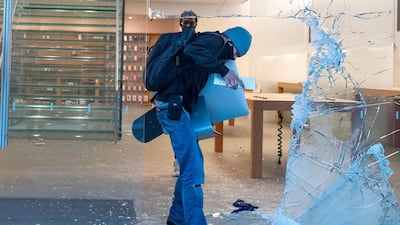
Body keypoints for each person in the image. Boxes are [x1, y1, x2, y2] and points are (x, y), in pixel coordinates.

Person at [154, 26, 252, 225]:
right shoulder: (215, 41)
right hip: (173, 108)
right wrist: (224, 70)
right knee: (193, 171)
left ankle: (177, 218)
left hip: (178, 107)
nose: (234, 59)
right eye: (236, 53)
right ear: (231, 42)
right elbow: (193, 51)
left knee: (193, 164)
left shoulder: (211, 47)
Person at [172, 10, 199, 177]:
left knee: (194, 130)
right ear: (180, 23)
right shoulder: (175, 40)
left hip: (195, 89)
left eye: (191, 22)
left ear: (196, 23)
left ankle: (191, 163)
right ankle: (178, 161)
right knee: (179, 130)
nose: (188, 25)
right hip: (177, 89)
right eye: (185, 22)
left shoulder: (199, 40)